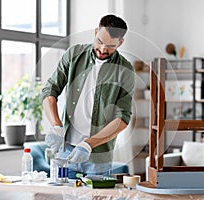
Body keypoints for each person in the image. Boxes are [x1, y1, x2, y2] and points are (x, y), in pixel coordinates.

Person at [41, 14, 135, 178]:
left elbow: (123, 118)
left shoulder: (125, 71)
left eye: (111, 46)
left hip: (98, 157)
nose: (103, 49)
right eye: (100, 41)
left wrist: (88, 144)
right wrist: (56, 126)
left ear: (120, 43)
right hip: (65, 150)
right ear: (95, 32)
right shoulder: (74, 54)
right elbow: (50, 89)